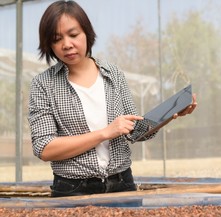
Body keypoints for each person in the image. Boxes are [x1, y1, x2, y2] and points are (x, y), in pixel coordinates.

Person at [28, 0, 197, 197]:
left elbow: (134, 131)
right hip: (72, 189)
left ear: (87, 33)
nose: (67, 44)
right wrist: (105, 133)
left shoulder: (113, 73)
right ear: (49, 44)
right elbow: (45, 148)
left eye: (73, 35)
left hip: (122, 182)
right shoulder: (43, 84)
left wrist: (171, 113)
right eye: (57, 39)